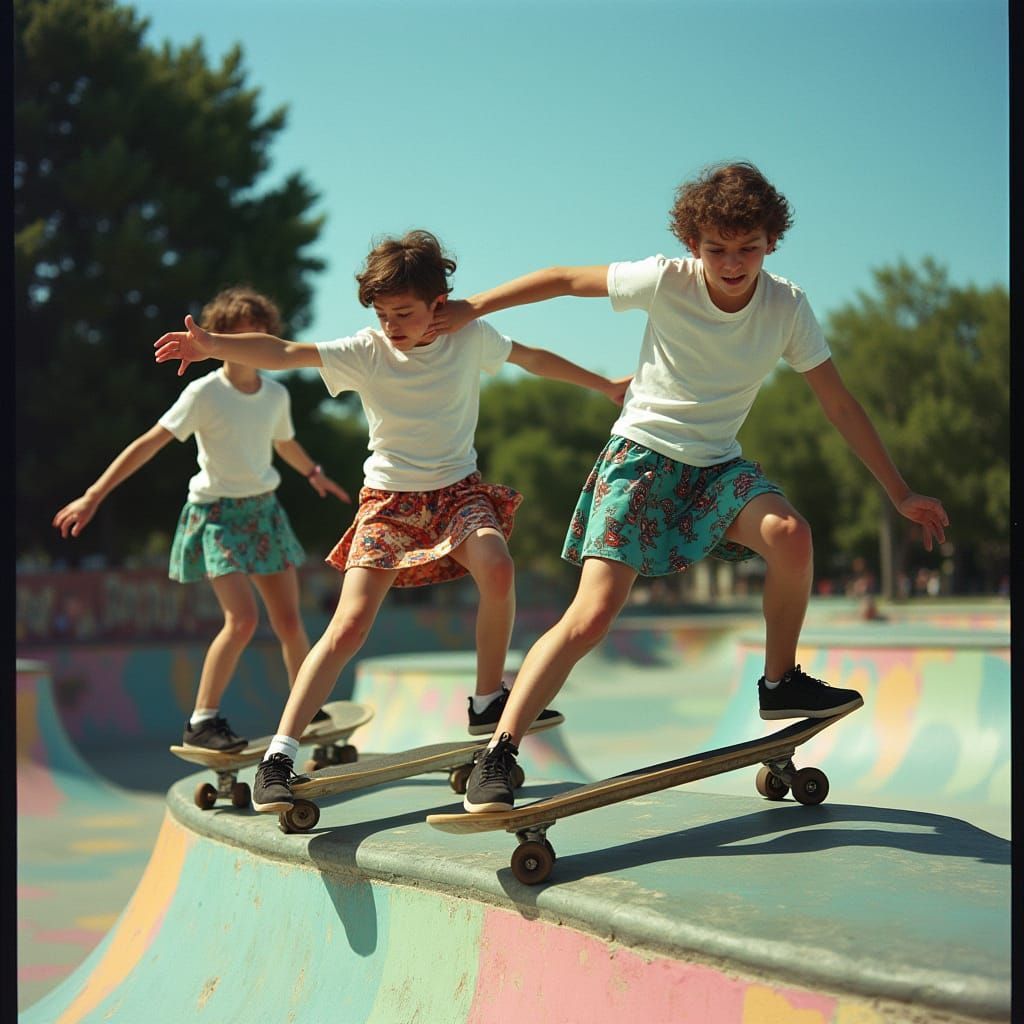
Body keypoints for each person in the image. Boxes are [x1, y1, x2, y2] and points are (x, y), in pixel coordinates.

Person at [428, 161, 950, 813]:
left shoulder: (786, 305)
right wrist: (476, 306)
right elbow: (565, 279)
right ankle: (500, 752)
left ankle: (779, 679)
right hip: (641, 459)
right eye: (717, 250)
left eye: (748, 249)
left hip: (717, 469)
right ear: (693, 246)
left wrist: (900, 492)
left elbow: (838, 403)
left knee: (791, 535)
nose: (733, 264)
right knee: (591, 617)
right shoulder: (666, 281)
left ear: (771, 242)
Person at [153, 229, 630, 812]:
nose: (392, 325)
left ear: (440, 302)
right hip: (389, 501)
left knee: (497, 566)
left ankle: (487, 699)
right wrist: (214, 347)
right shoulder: (367, 350)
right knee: (349, 625)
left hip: (458, 492)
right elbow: (285, 353)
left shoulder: (469, 335)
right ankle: (279, 757)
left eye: (403, 312)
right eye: (382, 313)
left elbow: (530, 359)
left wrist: (604, 385)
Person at [54, 286, 351, 752]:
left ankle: (305, 710)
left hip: (264, 513)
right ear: (219, 340)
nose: (250, 344)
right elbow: (149, 442)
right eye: (238, 335)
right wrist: (93, 495)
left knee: (291, 622)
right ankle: (202, 720)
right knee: (242, 620)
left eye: (260, 335)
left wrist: (313, 472)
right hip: (217, 516)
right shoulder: (204, 393)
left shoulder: (275, 394)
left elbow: (283, 441)